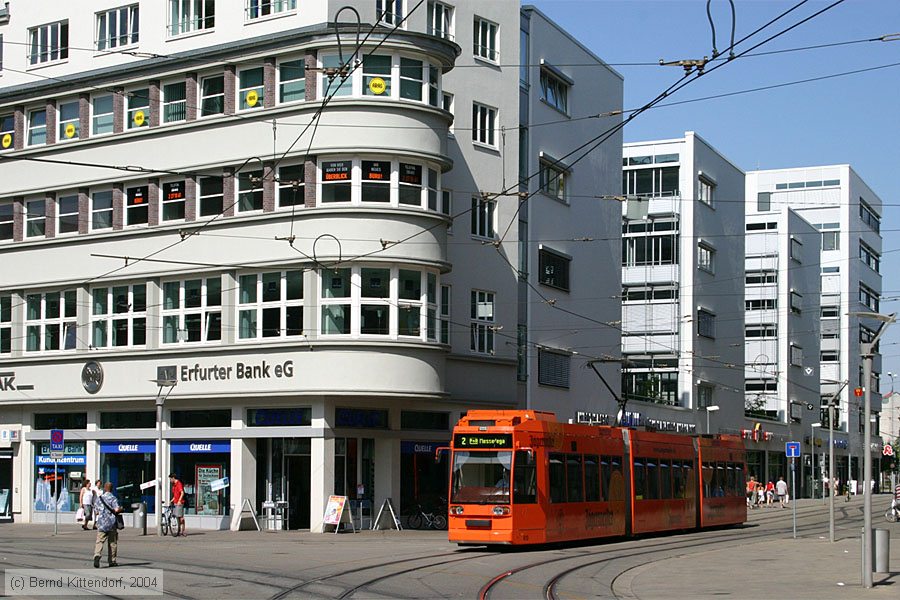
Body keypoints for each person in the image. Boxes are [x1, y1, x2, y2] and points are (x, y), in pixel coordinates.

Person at [92, 482, 122, 568]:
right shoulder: (113, 498)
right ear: (112, 489)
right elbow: (116, 510)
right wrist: (120, 509)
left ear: (104, 489)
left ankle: (97, 555)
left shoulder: (99, 498)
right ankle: (112, 561)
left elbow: (96, 510)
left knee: (99, 541)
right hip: (111, 523)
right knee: (112, 542)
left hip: (101, 523)